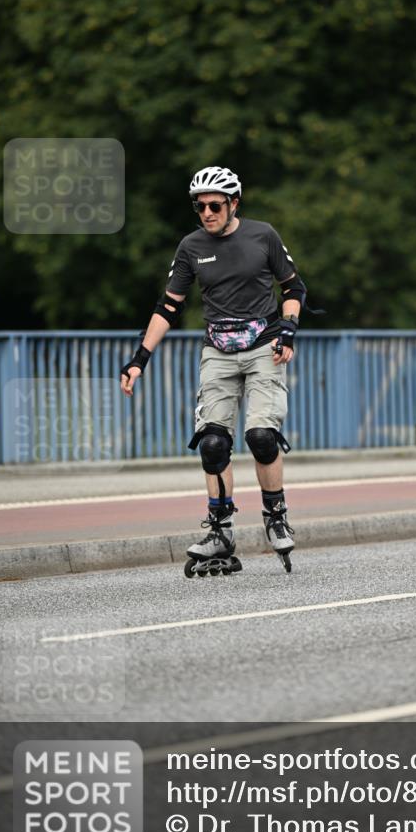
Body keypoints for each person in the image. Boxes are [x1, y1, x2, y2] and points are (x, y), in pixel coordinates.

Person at [120, 165, 310, 574]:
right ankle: (221, 530)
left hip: (264, 349)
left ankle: (275, 516)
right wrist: (139, 360)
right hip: (218, 352)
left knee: (260, 435)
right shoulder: (190, 247)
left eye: (214, 205)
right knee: (212, 444)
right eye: (200, 206)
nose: (206, 212)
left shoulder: (263, 236)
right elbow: (168, 306)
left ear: (233, 203)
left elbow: (294, 287)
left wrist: (289, 331)